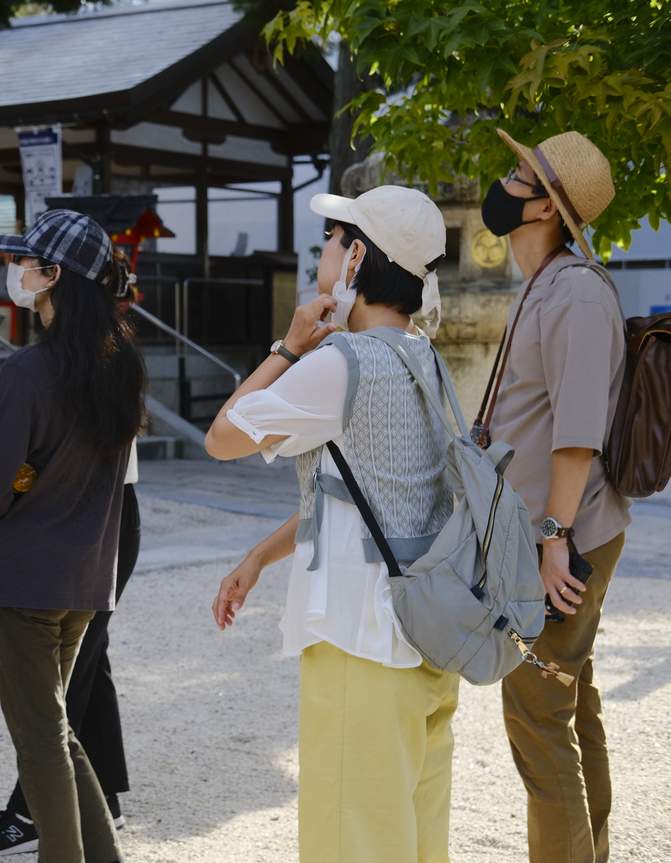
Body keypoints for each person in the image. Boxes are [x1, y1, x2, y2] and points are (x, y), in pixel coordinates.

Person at [206, 185, 458, 863]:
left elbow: (222, 435)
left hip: (359, 638)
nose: (320, 249)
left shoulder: (336, 364)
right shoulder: (423, 359)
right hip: (427, 637)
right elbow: (363, 490)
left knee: (350, 843)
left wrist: (286, 348)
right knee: (411, 839)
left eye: (332, 238)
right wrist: (261, 555)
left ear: (356, 262)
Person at [0, 209, 145, 863]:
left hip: (26, 575)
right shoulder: (120, 364)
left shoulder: (26, 371)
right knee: (58, 729)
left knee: (39, 737)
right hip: (87, 574)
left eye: (26, 263)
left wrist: (15, 474)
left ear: (52, 277)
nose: (17, 273)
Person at [479, 128, 629, 863]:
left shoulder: (571, 292)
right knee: (570, 705)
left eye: (517, 177)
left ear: (544, 209)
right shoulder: (546, 285)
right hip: (555, 531)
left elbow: (576, 437)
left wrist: (550, 538)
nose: (501, 186)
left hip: (565, 535)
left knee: (537, 712)